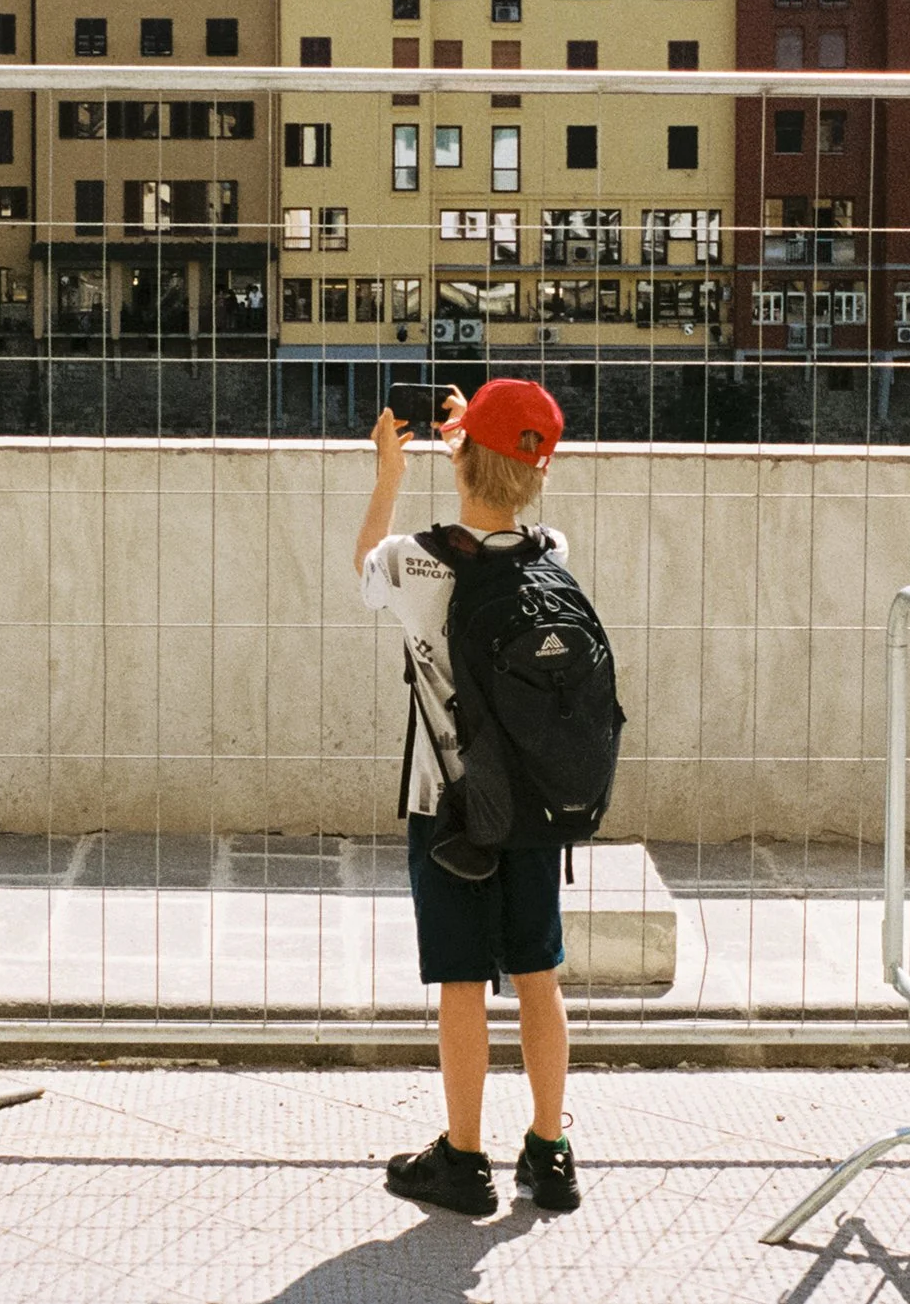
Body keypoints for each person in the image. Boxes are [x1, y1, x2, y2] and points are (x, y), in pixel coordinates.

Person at [354, 378, 581, 1217]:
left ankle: (463, 1157)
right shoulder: (551, 550)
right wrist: (488, 446)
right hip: (531, 805)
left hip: (445, 804)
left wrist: (390, 473)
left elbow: (363, 563)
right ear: (541, 467)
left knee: (460, 982)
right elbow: (512, 494)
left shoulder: (411, 561)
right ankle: (550, 1153)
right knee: (538, 973)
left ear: (460, 457)